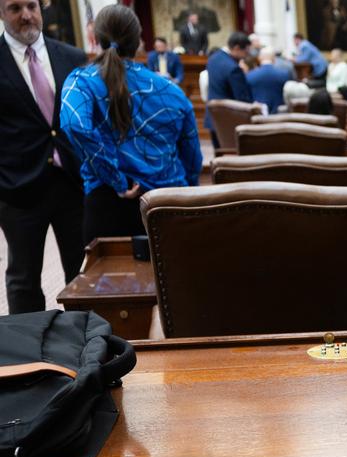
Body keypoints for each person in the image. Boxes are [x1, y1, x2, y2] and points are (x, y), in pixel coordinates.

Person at [59, 4, 200, 243]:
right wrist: (186, 190)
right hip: (167, 201)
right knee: (175, 279)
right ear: (139, 40)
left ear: (95, 38)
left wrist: (116, 179)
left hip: (108, 203)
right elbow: (192, 156)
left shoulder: (81, 82)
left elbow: (74, 125)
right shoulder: (171, 91)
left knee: (108, 281)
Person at [0, 0, 86, 314]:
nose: (26, 15)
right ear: (1, 12)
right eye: (14, 7)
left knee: (82, 274)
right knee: (24, 280)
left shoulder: (73, 57)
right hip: (18, 190)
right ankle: (31, 355)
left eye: (31, 6)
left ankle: (87, 348)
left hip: (71, 184)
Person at [204, 30, 252, 149]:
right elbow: (243, 99)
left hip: (213, 118)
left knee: (219, 156)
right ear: (236, 48)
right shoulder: (234, 69)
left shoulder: (213, 58)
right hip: (230, 122)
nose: (247, 55)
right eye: (246, 51)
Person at [247, 47, 291, 113]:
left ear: (259, 58)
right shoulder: (284, 74)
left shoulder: (249, 75)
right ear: (274, 59)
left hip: (258, 116)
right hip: (280, 116)